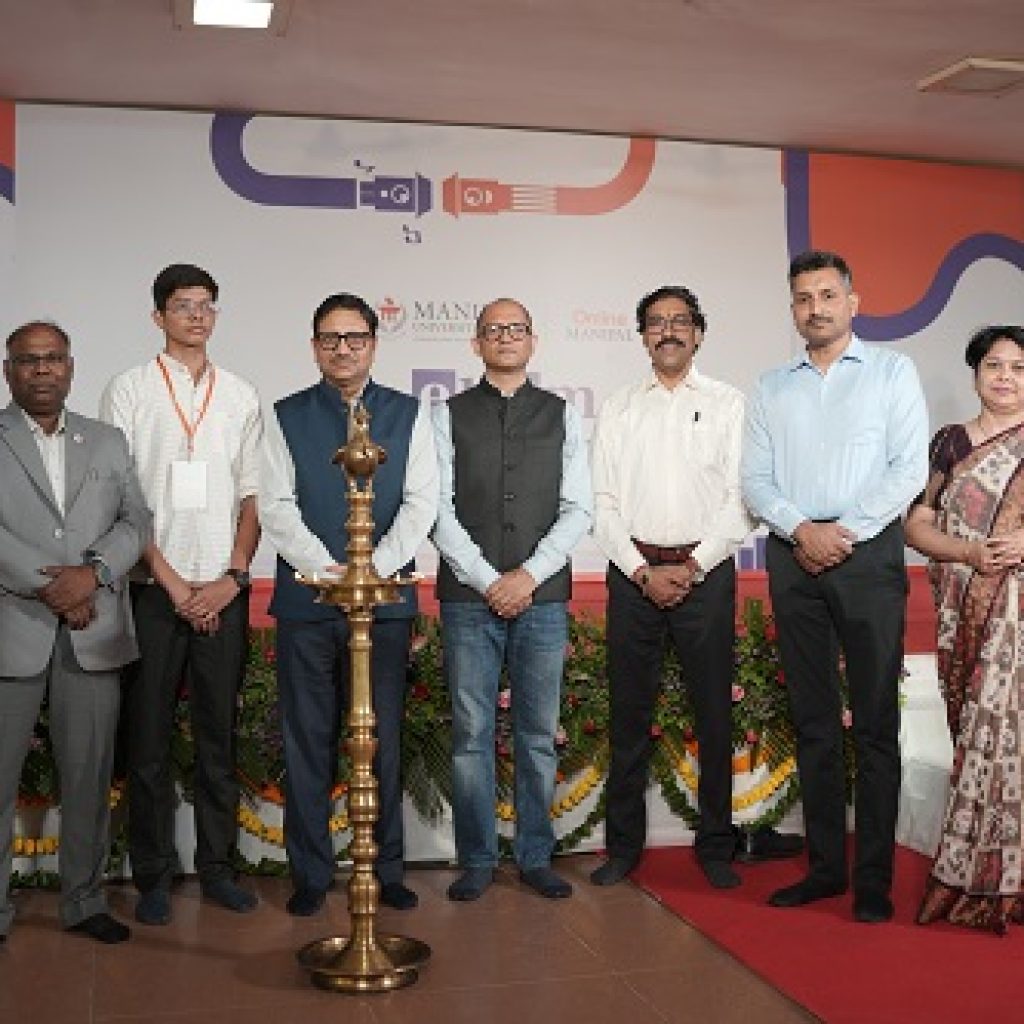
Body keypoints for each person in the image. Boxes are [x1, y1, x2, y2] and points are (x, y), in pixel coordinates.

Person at [741, 249, 928, 923]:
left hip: (868, 554)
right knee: (814, 720)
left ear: (853, 302)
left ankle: (873, 880)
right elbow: (755, 480)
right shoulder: (770, 387)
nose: (814, 308)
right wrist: (802, 531)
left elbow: (908, 469)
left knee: (875, 723)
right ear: (792, 309)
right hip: (795, 557)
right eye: (802, 298)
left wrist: (841, 533)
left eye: (826, 295)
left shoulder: (892, 373)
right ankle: (825, 870)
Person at [259, 292, 437, 916]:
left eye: (354, 338)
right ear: (315, 348)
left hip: (383, 603)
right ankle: (311, 873)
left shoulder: (409, 414)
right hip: (308, 601)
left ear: (373, 345)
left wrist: (373, 570)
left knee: (381, 739)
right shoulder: (284, 415)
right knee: (307, 740)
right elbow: (274, 505)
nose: (343, 349)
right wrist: (328, 571)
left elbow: (421, 501)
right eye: (331, 339)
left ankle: (388, 868)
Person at [99, 264, 262, 925]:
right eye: (182, 305)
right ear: (158, 317)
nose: (197, 315)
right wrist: (172, 583)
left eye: (206, 305)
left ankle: (218, 869)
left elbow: (252, 497)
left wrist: (231, 578)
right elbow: (122, 499)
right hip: (151, 590)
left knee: (217, 738)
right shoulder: (129, 390)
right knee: (148, 742)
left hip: (223, 591)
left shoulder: (240, 394)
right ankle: (154, 875)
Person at [588, 285, 758, 890]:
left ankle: (715, 846)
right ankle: (623, 848)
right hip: (633, 573)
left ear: (699, 333)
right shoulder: (618, 407)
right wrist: (642, 571)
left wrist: (694, 565)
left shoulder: (729, 404)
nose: (668, 331)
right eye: (656, 322)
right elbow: (601, 503)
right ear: (642, 336)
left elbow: (743, 500)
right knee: (628, 716)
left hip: (704, 575)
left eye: (680, 321)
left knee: (713, 715)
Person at [432, 298, 593, 902]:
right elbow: (436, 508)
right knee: (471, 734)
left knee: (537, 734)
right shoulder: (445, 415)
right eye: (493, 330)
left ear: (533, 340)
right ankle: (476, 859)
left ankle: (535, 856)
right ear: (476, 344)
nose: (505, 337)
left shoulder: (562, 414)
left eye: (516, 329)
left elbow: (580, 508)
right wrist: (486, 579)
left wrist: (527, 576)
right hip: (467, 598)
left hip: (543, 598)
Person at [0, 321, 150, 944]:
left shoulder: (107, 440)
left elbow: (136, 521)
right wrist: (54, 587)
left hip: (93, 633)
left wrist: (91, 575)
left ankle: (85, 901)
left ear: (70, 367)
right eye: (29, 360)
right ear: (9, 370)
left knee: (89, 778)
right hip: (12, 630)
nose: (42, 370)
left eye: (53, 358)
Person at [906, 325, 1024, 934]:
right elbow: (917, 523)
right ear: (975, 374)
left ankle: (1008, 879)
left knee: (1011, 739)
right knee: (974, 733)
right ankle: (977, 872)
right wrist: (968, 552)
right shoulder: (950, 442)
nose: (1005, 377)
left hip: (1018, 614)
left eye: (1019, 368)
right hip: (962, 608)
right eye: (994, 366)